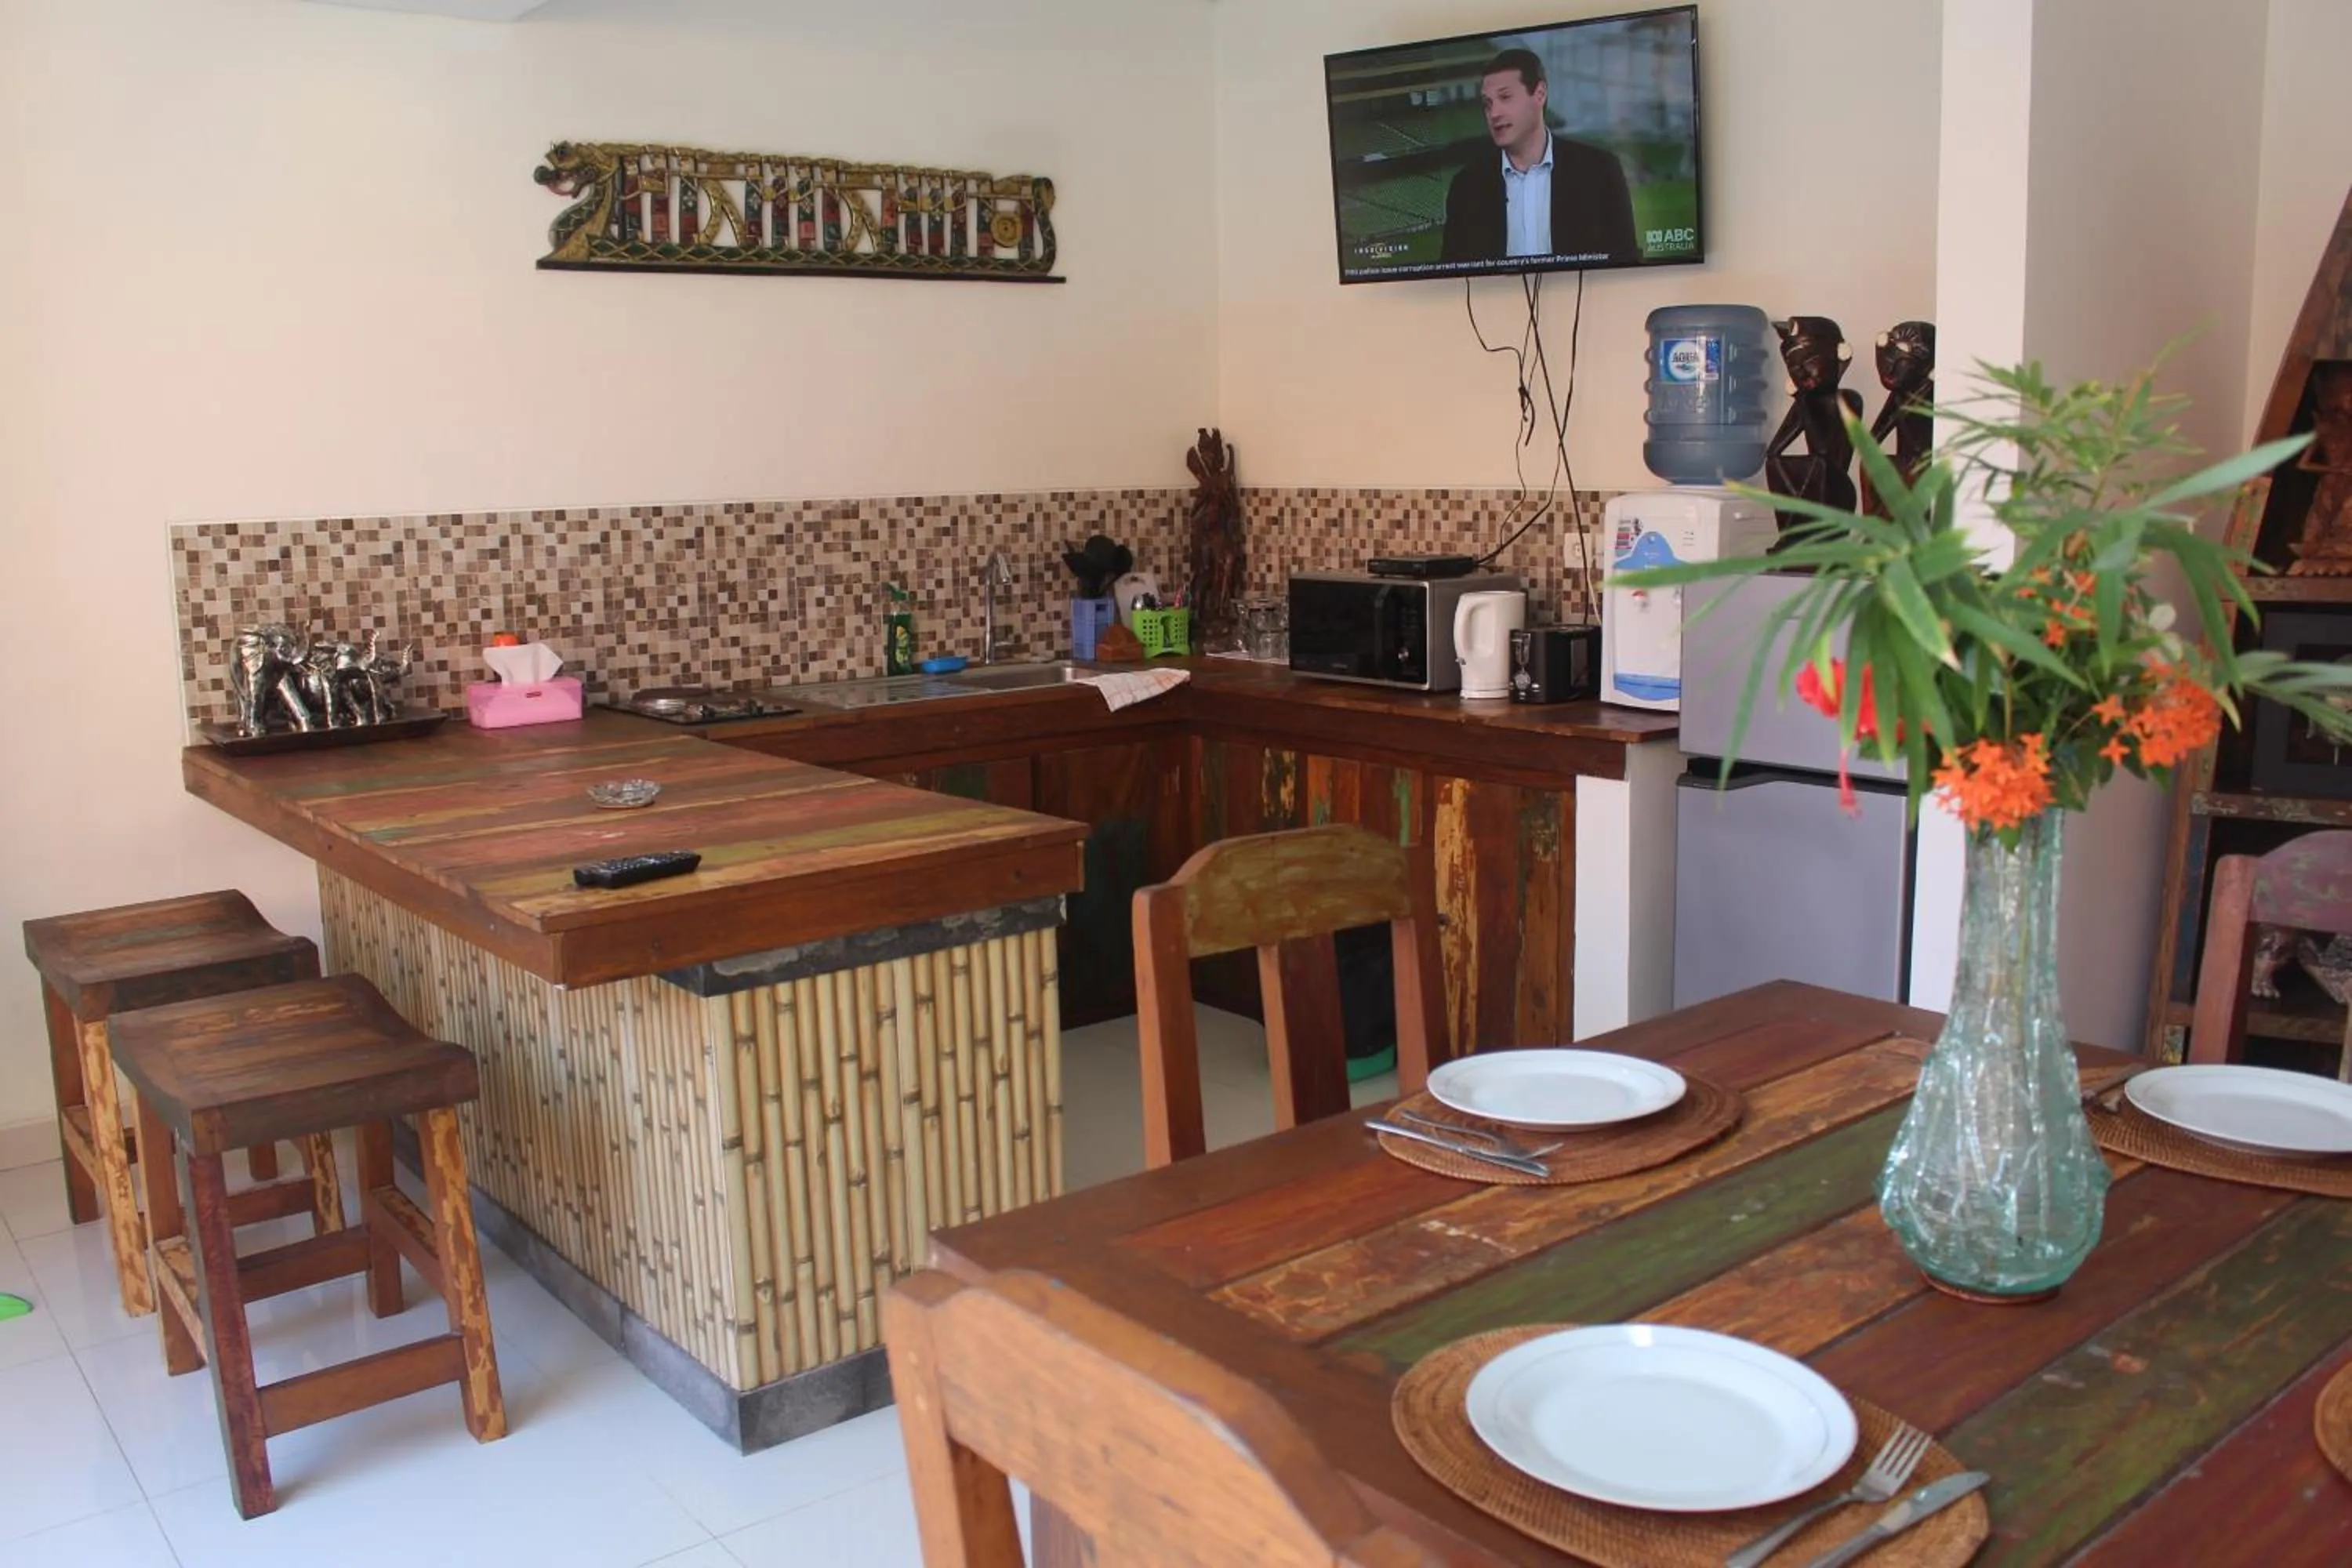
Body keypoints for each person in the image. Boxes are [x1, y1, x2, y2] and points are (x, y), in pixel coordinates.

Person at [1439, 47, 1639, 268]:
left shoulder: (1600, 170)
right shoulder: (1467, 186)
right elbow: (1452, 269)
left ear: (1540, 94)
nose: (1494, 113)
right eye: (1488, 104)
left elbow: (1625, 256)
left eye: (1505, 97)